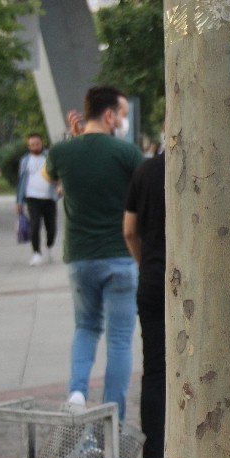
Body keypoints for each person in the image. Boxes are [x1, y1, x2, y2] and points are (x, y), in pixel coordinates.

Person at [43, 86, 145, 418]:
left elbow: (48, 176)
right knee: (119, 339)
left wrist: (74, 139)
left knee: (86, 327)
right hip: (120, 256)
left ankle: (76, 393)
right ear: (109, 115)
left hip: (80, 257)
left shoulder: (62, 152)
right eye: (123, 115)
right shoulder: (127, 154)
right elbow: (144, 186)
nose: (124, 121)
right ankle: (113, 410)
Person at [123, 139, 166, 458]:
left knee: (155, 370)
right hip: (196, 286)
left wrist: (145, 262)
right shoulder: (205, 167)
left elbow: (128, 230)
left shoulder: (145, 171)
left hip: (153, 281)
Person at [16, 133, 60, 266]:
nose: (35, 147)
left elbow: (58, 174)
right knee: (35, 225)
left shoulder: (49, 157)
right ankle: (36, 253)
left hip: (49, 197)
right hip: (32, 197)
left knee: (51, 226)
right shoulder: (25, 161)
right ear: (28, 146)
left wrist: (59, 185)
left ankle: (49, 246)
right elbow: (21, 181)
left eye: (37, 144)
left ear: (42, 143)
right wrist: (19, 200)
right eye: (32, 145)